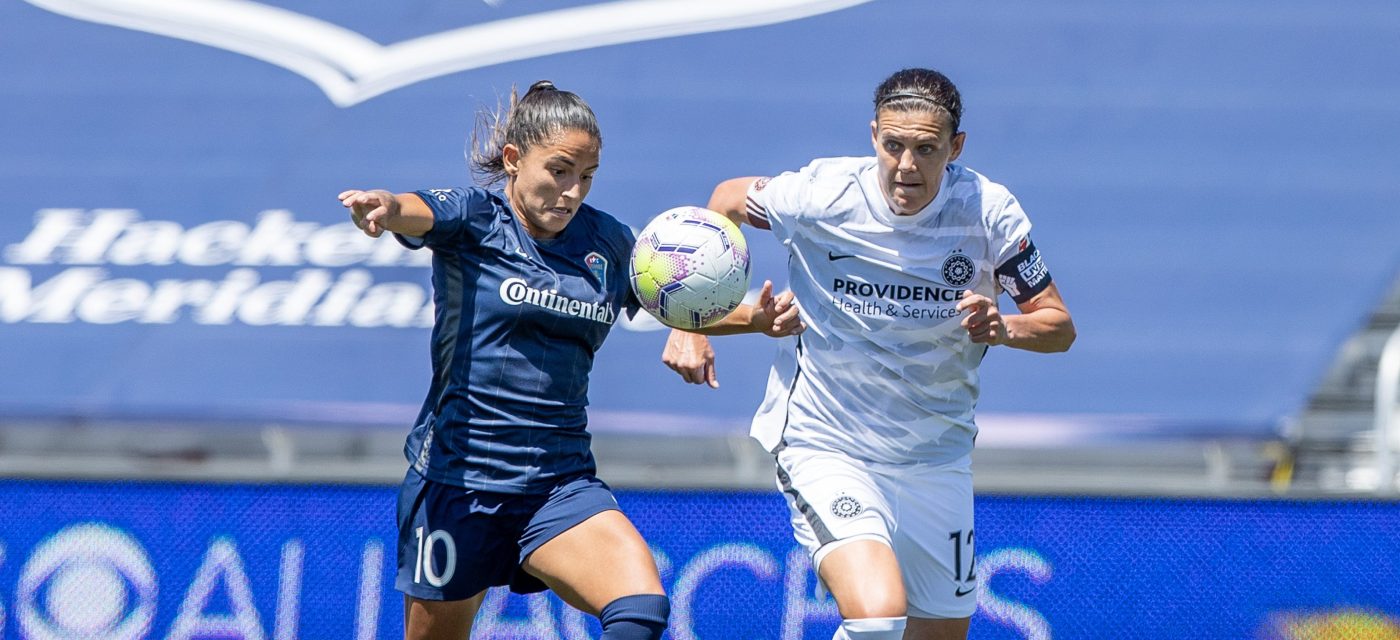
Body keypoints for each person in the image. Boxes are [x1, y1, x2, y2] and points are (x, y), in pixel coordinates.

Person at [339, 80, 802, 640]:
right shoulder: (475, 219)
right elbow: (414, 210)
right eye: (559, 171)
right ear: (514, 159)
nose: (572, 192)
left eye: (587, 176)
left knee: (640, 608)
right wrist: (386, 207)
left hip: (558, 484)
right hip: (458, 483)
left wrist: (754, 319)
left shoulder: (606, 242)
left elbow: (672, 299)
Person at [663, 68, 1076, 640]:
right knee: (877, 615)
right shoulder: (821, 194)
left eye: (926, 149)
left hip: (937, 457)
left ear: (955, 147)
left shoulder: (989, 213)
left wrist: (1003, 326)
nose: (906, 165)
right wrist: (689, 320)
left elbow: (1058, 326)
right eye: (893, 145)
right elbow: (726, 200)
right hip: (827, 442)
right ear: (874, 136)